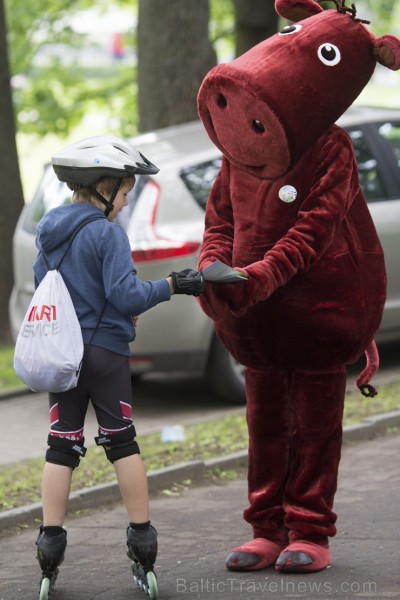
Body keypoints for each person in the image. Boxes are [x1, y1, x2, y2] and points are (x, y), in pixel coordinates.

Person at [33, 135, 204, 597]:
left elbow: (42, 287)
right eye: (125, 193)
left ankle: (49, 554)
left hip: (63, 356)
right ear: (104, 187)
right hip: (106, 355)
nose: (126, 203)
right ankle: (142, 546)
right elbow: (126, 296)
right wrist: (173, 284)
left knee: (61, 446)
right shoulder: (106, 233)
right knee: (122, 443)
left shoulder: (49, 229)